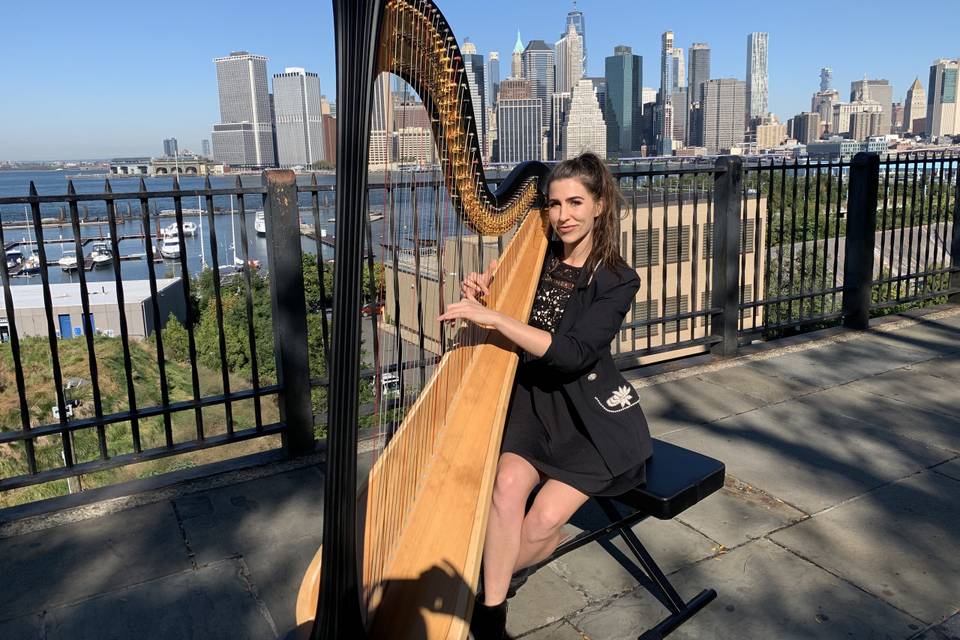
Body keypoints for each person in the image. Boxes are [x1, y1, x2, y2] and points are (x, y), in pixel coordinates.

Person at [438, 153, 653, 639]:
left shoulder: (618, 278)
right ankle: (491, 614)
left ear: (600, 205)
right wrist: (486, 297)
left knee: (542, 526)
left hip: (588, 418)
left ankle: (475, 585)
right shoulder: (535, 259)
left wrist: (499, 320)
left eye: (576, 202)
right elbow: (514, 320)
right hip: (533, 404)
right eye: (554, 204)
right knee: (506, 486)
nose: (563, 215)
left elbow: (574, 354)